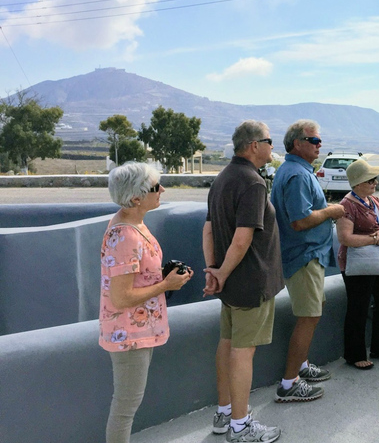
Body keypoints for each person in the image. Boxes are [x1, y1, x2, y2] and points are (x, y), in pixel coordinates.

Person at [99, 162, 193, 443]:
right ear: (137, 198)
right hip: (129, 334)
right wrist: (166, 285)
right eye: (155, 187)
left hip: (138, 331)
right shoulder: (125, 235)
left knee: (129, 403)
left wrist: (162, 278)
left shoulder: (132, 224)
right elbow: (121, 297)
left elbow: (134, 277)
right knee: (126, 406)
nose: (162, 189)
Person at [202, 121, 283, 442]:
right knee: (242, 352)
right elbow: (242, 238)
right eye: (269, 141)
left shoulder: (222, 178)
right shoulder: (252, 183)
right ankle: (240, 425)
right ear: (253, 145)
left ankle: (224, 413)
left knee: (228, 344)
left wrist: (214, 270)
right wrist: (219, 272)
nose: (271, 146)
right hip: (250, 284)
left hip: (231, 284)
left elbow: (208, 229)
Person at [271, 119, 345, 402]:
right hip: (303, 255)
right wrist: (331, 211)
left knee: (312, 313)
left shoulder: (296, 170)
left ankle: (301, 367)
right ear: (297, 143)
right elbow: (300, 220)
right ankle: (289, 384)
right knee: (309, 316)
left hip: (309, 255)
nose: (319, 145)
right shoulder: (298, 175)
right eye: (314, 140)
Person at [336, 159, 379, 369]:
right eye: (370, 180)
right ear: (358, 183)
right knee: (358, 307)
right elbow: (345, 238)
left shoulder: (375, 200)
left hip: (377, 260)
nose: (375, 183)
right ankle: (354, 354)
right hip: (357, 263)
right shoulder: (347, 205)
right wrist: (375, 239)